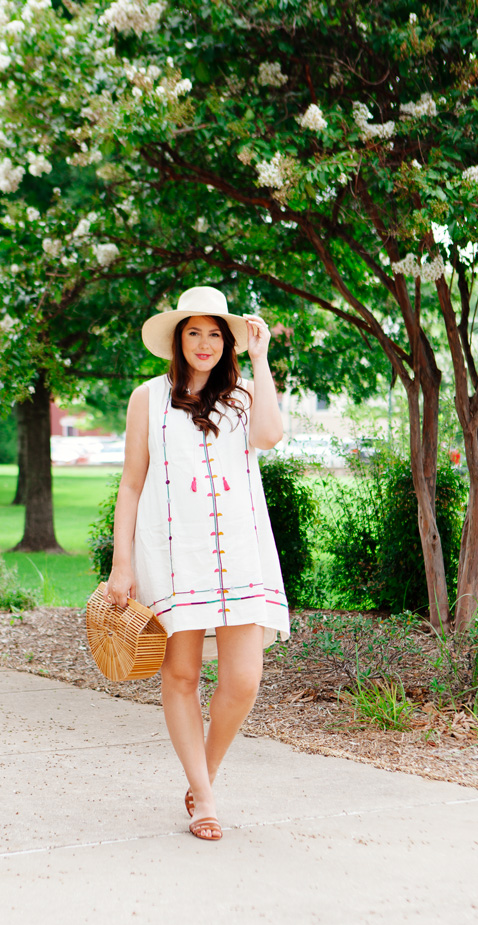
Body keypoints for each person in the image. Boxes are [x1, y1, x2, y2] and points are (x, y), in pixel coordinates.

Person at [104, 286, 289, 841]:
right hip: (170, 550)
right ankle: (204, 799)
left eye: (215, 334)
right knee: (181, 674)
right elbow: (132, 483)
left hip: (239, 551)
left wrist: (260, 357)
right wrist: (121, 563)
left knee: (243, 679)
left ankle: (202, 773)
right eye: (194, 332)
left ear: (226, 341)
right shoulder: (147, 398)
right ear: (177, 339)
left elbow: (271, 436)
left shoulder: (244, 395)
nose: (205, 344)